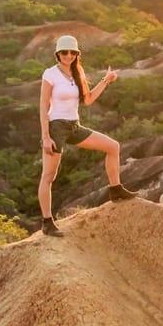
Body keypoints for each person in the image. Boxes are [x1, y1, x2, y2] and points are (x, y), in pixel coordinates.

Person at [38, 34, 136, 237]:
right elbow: (43, 106)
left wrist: (105, 81)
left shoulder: (77, 74)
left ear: (76, 54)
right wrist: (46, 137)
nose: (68, 55)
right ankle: (47, 222)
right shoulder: (51, 74)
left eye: (72, 52)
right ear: (58, 54)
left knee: (113, 146)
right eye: (64, 52)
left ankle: (115, 190)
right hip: (56, 127)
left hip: (74, 126)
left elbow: (88, 99)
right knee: (49, 176)